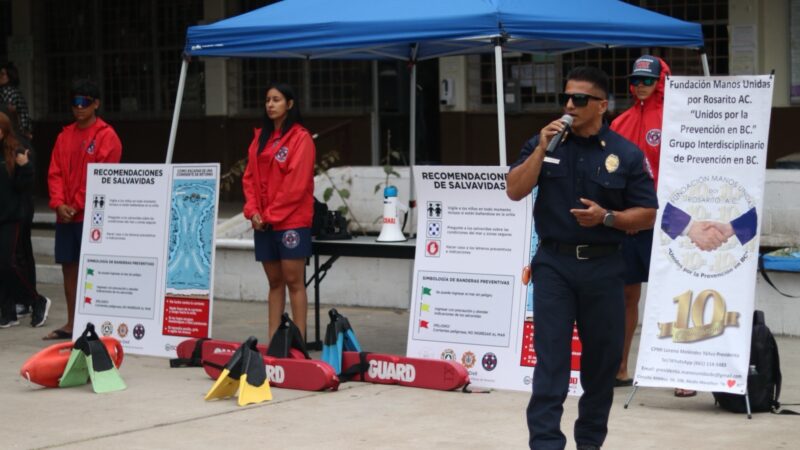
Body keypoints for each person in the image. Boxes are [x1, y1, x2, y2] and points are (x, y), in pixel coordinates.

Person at [507, 66, 658, 450]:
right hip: (554, 265)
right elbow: (514, 189)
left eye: (580, 99)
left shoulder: (624, 154)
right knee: (551, 363)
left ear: (602, 106)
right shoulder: (548, 142)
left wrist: (607, 217)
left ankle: (589, 443)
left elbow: (648, 213)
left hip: (604, 267)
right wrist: (541, 148)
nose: (569, 105)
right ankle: (545, 444)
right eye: (567, 97)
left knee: (600, 366)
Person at [607, 55, 671, 390]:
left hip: (667, 223)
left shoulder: (677, 118)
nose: (641, 86)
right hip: (630, 224)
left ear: (662, 81)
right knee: (626, 296)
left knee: (673, 295)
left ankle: (679, 372)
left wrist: (652, 215)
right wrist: (625, 216)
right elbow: (610, 174)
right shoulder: (620, 122)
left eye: (648, 80)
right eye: (637, 80)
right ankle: (620, 368)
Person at [45, 79, 122, 340]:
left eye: (84, 103)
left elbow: (101, 176)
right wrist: (58, 203)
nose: (78, 108)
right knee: (69, 266)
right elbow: (54, 173)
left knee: (94, 268)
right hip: (66, 215)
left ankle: (98, 323)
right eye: (75, 102)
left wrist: (76, 205)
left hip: (93, 216)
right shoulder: (64, 136)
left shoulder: (106, 136)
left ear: (96, 104)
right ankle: (72, 323)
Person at [242, 83, 315, 340]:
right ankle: (274, 341)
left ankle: (299, 341)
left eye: (277, 100)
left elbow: (295, 186)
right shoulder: (259, 139)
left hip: (290, 222)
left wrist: (269, 215)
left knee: (294, 282)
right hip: (263, 223)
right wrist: (253, 212)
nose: (270, 105)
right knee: (274, 283)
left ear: (290, 104)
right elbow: (249, 178)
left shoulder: (300, 138)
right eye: (268, 100)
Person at [1, 111, 51, 328]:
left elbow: (25, 187)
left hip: (13, 217)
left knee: (7, 264)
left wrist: (24, 167)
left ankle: (36, 300)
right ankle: (7, 312)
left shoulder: (17, 150)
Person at [0, 62, 32, 139]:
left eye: (2, 74)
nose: (0, 76)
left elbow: (7, 112)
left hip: (15, 133)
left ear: (10, 76)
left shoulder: (9, 92)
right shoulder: (11, 91)